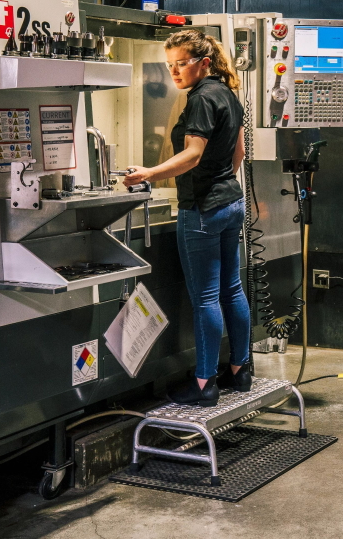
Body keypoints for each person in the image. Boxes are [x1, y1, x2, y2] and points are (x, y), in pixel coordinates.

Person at [123, 30, 251, 407]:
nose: (174, 71)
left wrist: (148, 174)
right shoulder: (228, 93)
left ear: (204, 63)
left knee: (207, 299)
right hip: (231, 203)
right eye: (170, 65)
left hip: (203, 210)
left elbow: (193, 155)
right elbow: (238, 154)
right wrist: (218, 179)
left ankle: (203, 383)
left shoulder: (200, 100)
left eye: (182, 63)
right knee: (232, 289)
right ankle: (239, 370)